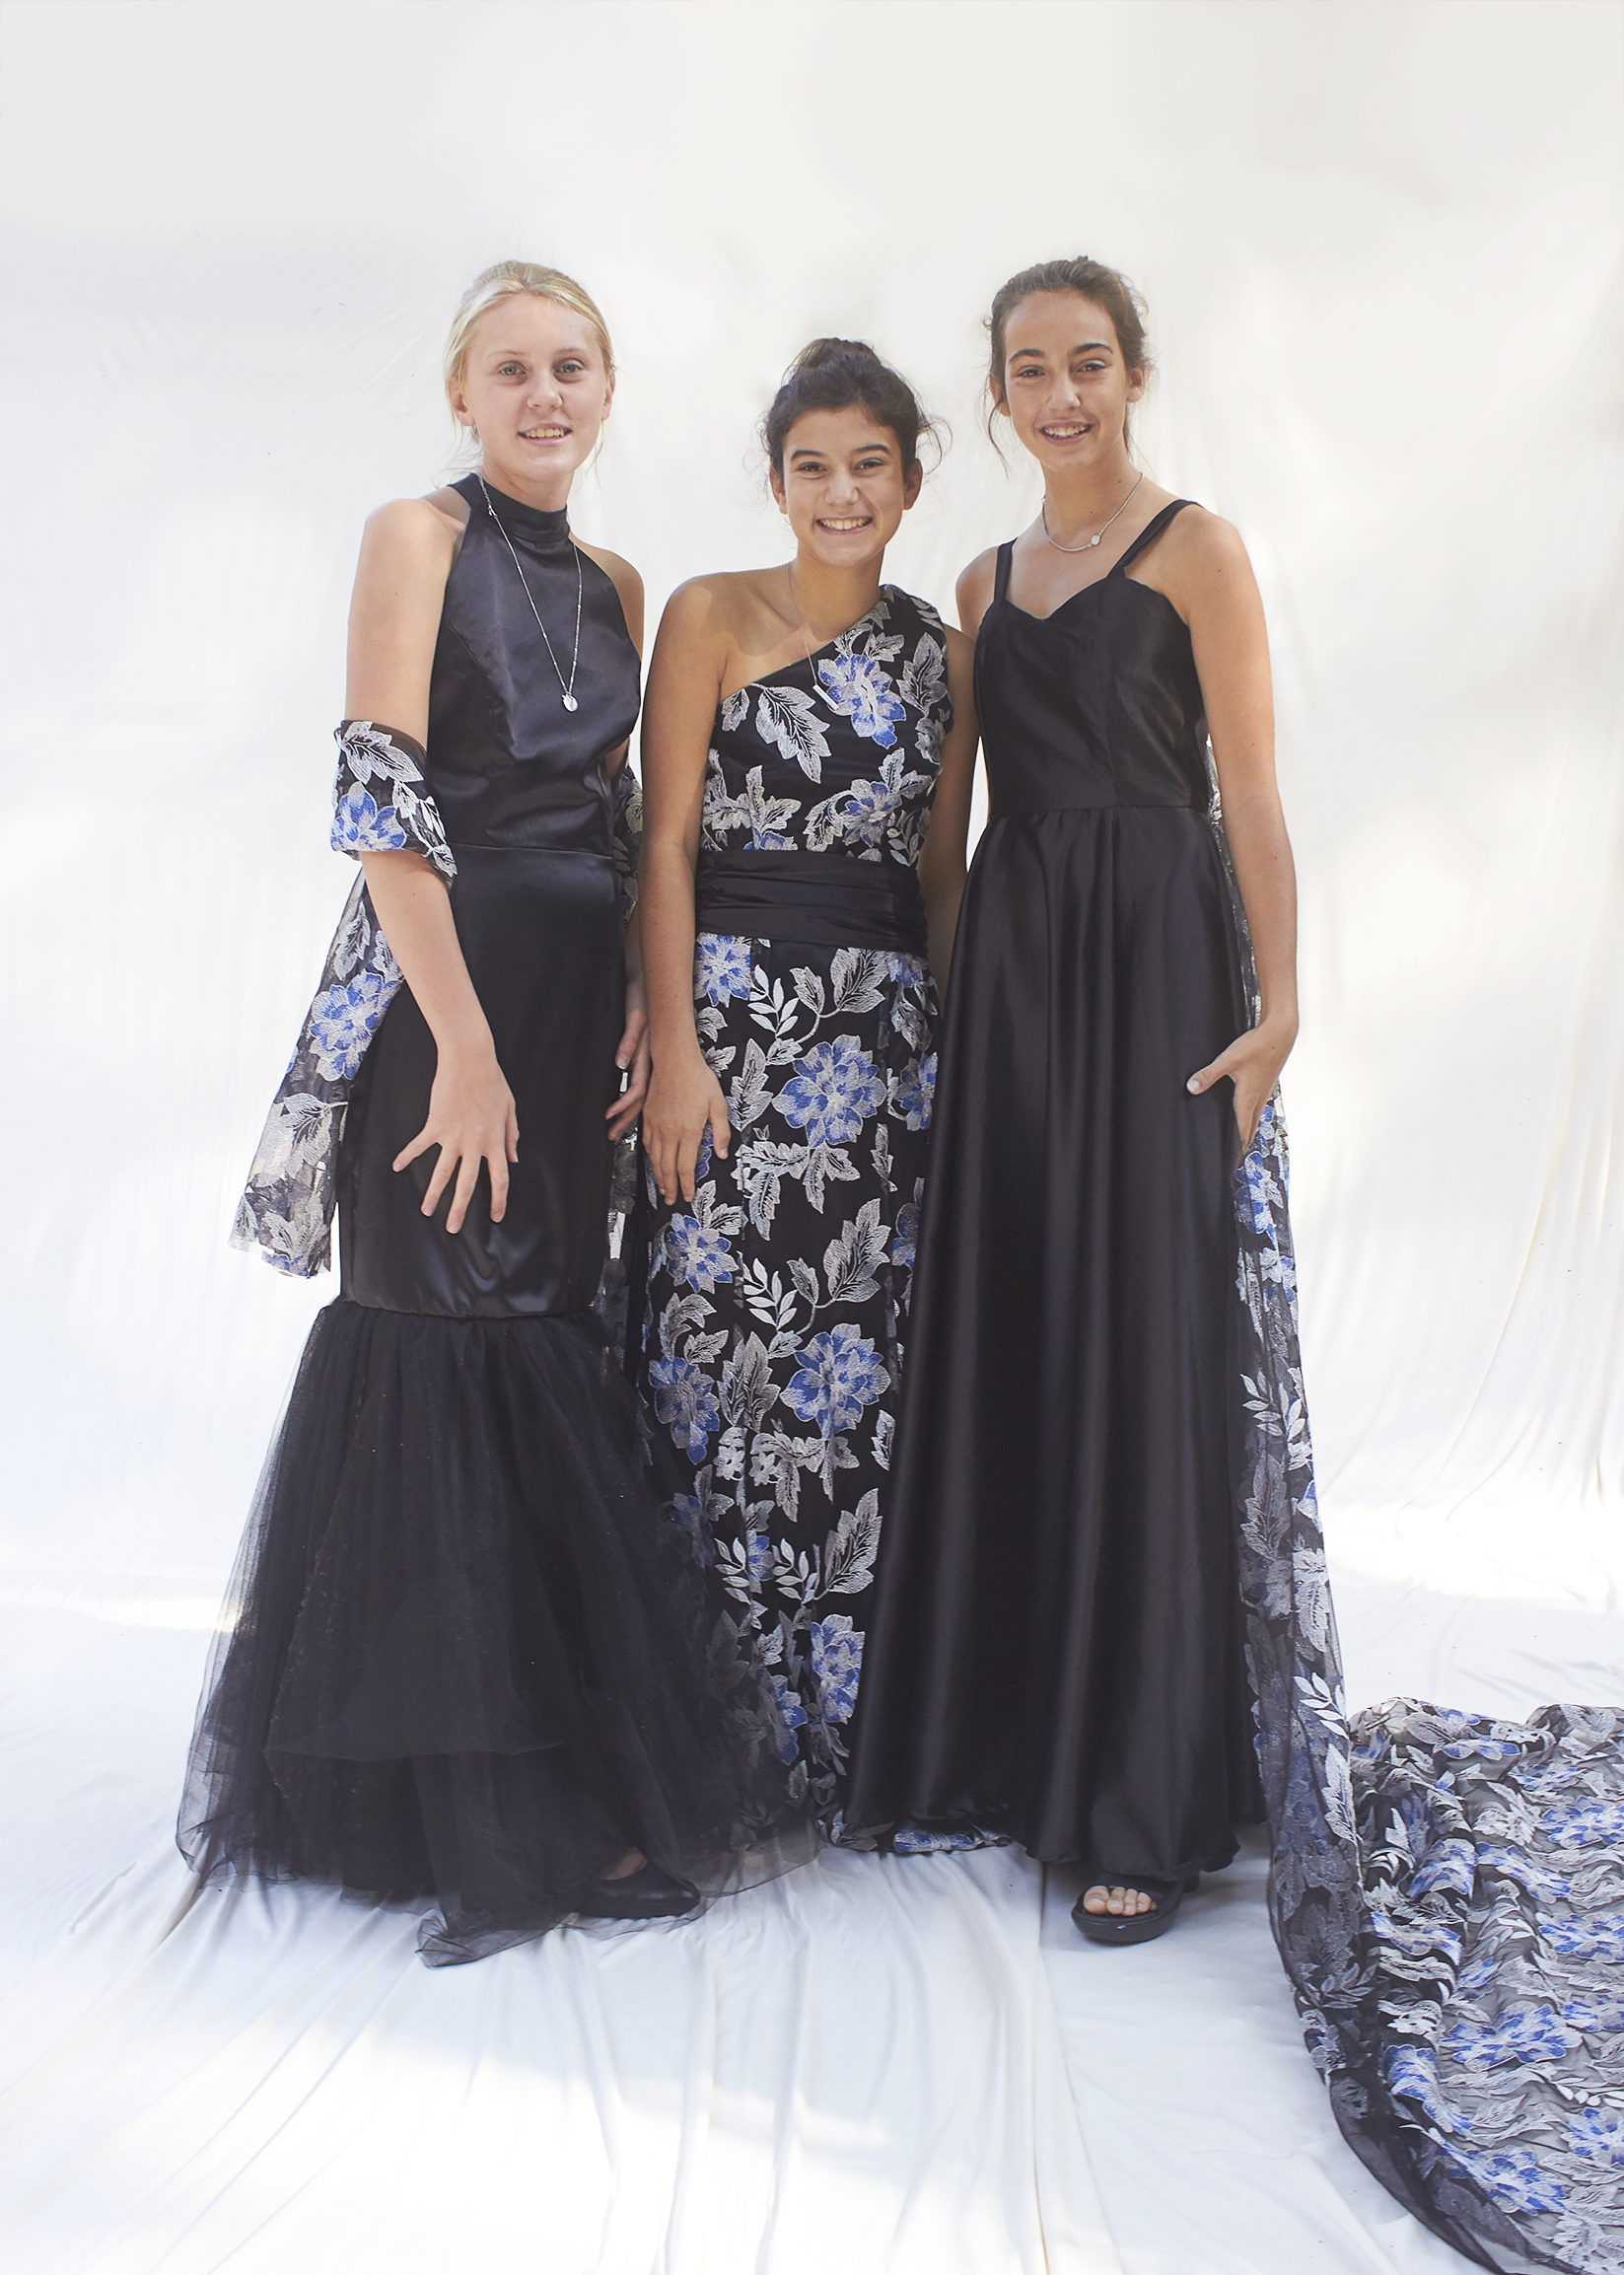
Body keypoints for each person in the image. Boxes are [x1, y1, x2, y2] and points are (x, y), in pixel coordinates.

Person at [182, 260, 808, 1966]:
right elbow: (383, 802)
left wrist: (627, 1002)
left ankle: (531, 1767)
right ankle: (465, 1806)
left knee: (546, 1329)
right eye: (514, 369)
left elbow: (615, 830)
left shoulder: (613, 579)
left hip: (561, 1002)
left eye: (575, 370)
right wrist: (454, 1040)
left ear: (608, 396)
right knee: (445, 1331)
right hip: (441, 1001)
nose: (546, 397)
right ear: (463, 392)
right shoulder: (418, 535)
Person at [846, 256, 1302, 1941]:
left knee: (1145, 1335)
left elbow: (1250, 797)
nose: (1061, 395)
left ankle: (1141, 1786)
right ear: (998, 395)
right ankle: (1004, 1745)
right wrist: (952, 1010)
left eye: (1088, 362)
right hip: (1022, 979)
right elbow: (951, 825)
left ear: (1134, 373)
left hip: (1164, 964)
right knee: (1026, 1324)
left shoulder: (1203, 553)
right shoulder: (979, 581)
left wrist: (1283, 1008)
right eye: (1030, 369)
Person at [637, 340, 978, 1826]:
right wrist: (671, 1050)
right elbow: (658, 848)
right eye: (812, 466)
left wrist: (957, 1057)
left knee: (860, 1394)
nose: (841, 493)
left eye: (870, 465)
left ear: (910, 479)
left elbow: (940, 873)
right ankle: (698, 1732)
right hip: (726, 1035)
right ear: (776, 480)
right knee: (709, 1361)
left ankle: (852, 1742)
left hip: (878, 1056)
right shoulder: (707, 614)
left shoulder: (940, 655)